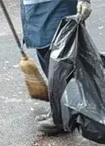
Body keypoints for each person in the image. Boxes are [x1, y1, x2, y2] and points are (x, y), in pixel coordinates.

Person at [21, 0, 91, 135]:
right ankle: (59, 109)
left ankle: (63, 116)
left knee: (59, 56)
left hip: (57, 5)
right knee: (44, 50)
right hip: (34, 6)